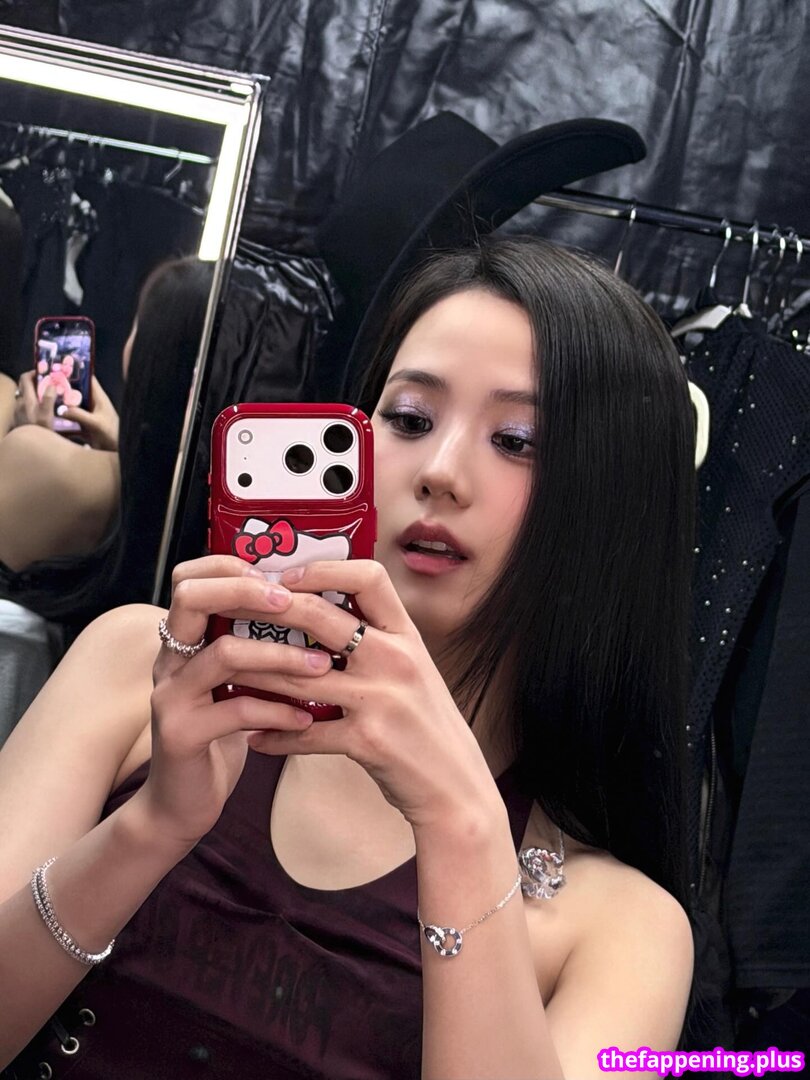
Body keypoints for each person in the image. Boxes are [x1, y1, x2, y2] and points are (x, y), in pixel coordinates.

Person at [0, 237, 696, 1079]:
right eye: (409, 419)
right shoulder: (134, 668)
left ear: (614, 503)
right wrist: (150, 828)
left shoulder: (624, 929)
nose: (440, 472)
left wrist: (463, 827)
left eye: (517, 440)